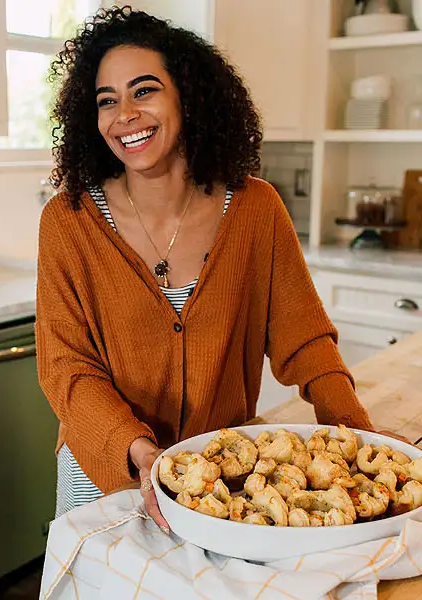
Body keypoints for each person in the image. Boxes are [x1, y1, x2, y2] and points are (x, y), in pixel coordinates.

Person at [35, 7, 397, 530]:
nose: (125, 114)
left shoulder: (256, 208)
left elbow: (305, 340)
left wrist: (359, 433)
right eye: (106, 100)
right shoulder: (68, 223)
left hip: (222, 484)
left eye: (144, 91)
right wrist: (137, 451)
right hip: (104, 473)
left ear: (188, 94)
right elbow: (66, 368)